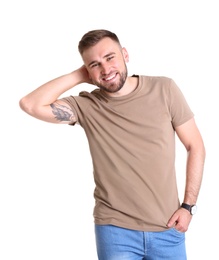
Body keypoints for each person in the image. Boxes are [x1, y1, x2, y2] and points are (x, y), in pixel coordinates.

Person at [19, 29, 205, 260]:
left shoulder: (164, 89)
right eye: (95, 64)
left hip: (168, 227)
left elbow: (195, 145)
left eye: (110, 57)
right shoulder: (86, 106)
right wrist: (79, 75)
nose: (106, 70)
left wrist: (188, 207)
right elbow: (30, 104)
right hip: (115, 230)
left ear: (125, 54)